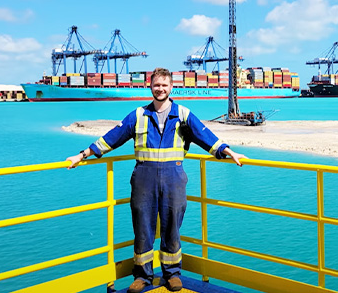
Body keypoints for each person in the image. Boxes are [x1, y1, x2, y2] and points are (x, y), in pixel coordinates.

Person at [66, 68, 247, 293]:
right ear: (150, 87)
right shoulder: (138, 115)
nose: (160, 89)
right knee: (142, 228)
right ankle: (142, 276)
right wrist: (82, 154)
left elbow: (205, 136)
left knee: (172, 227)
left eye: (164, 85)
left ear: (171, 87)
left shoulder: (183, 114)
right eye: (156, 85)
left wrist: (229, 152)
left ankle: (172, 274)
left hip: (174, 178)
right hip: (144, 178)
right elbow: (111, 138)